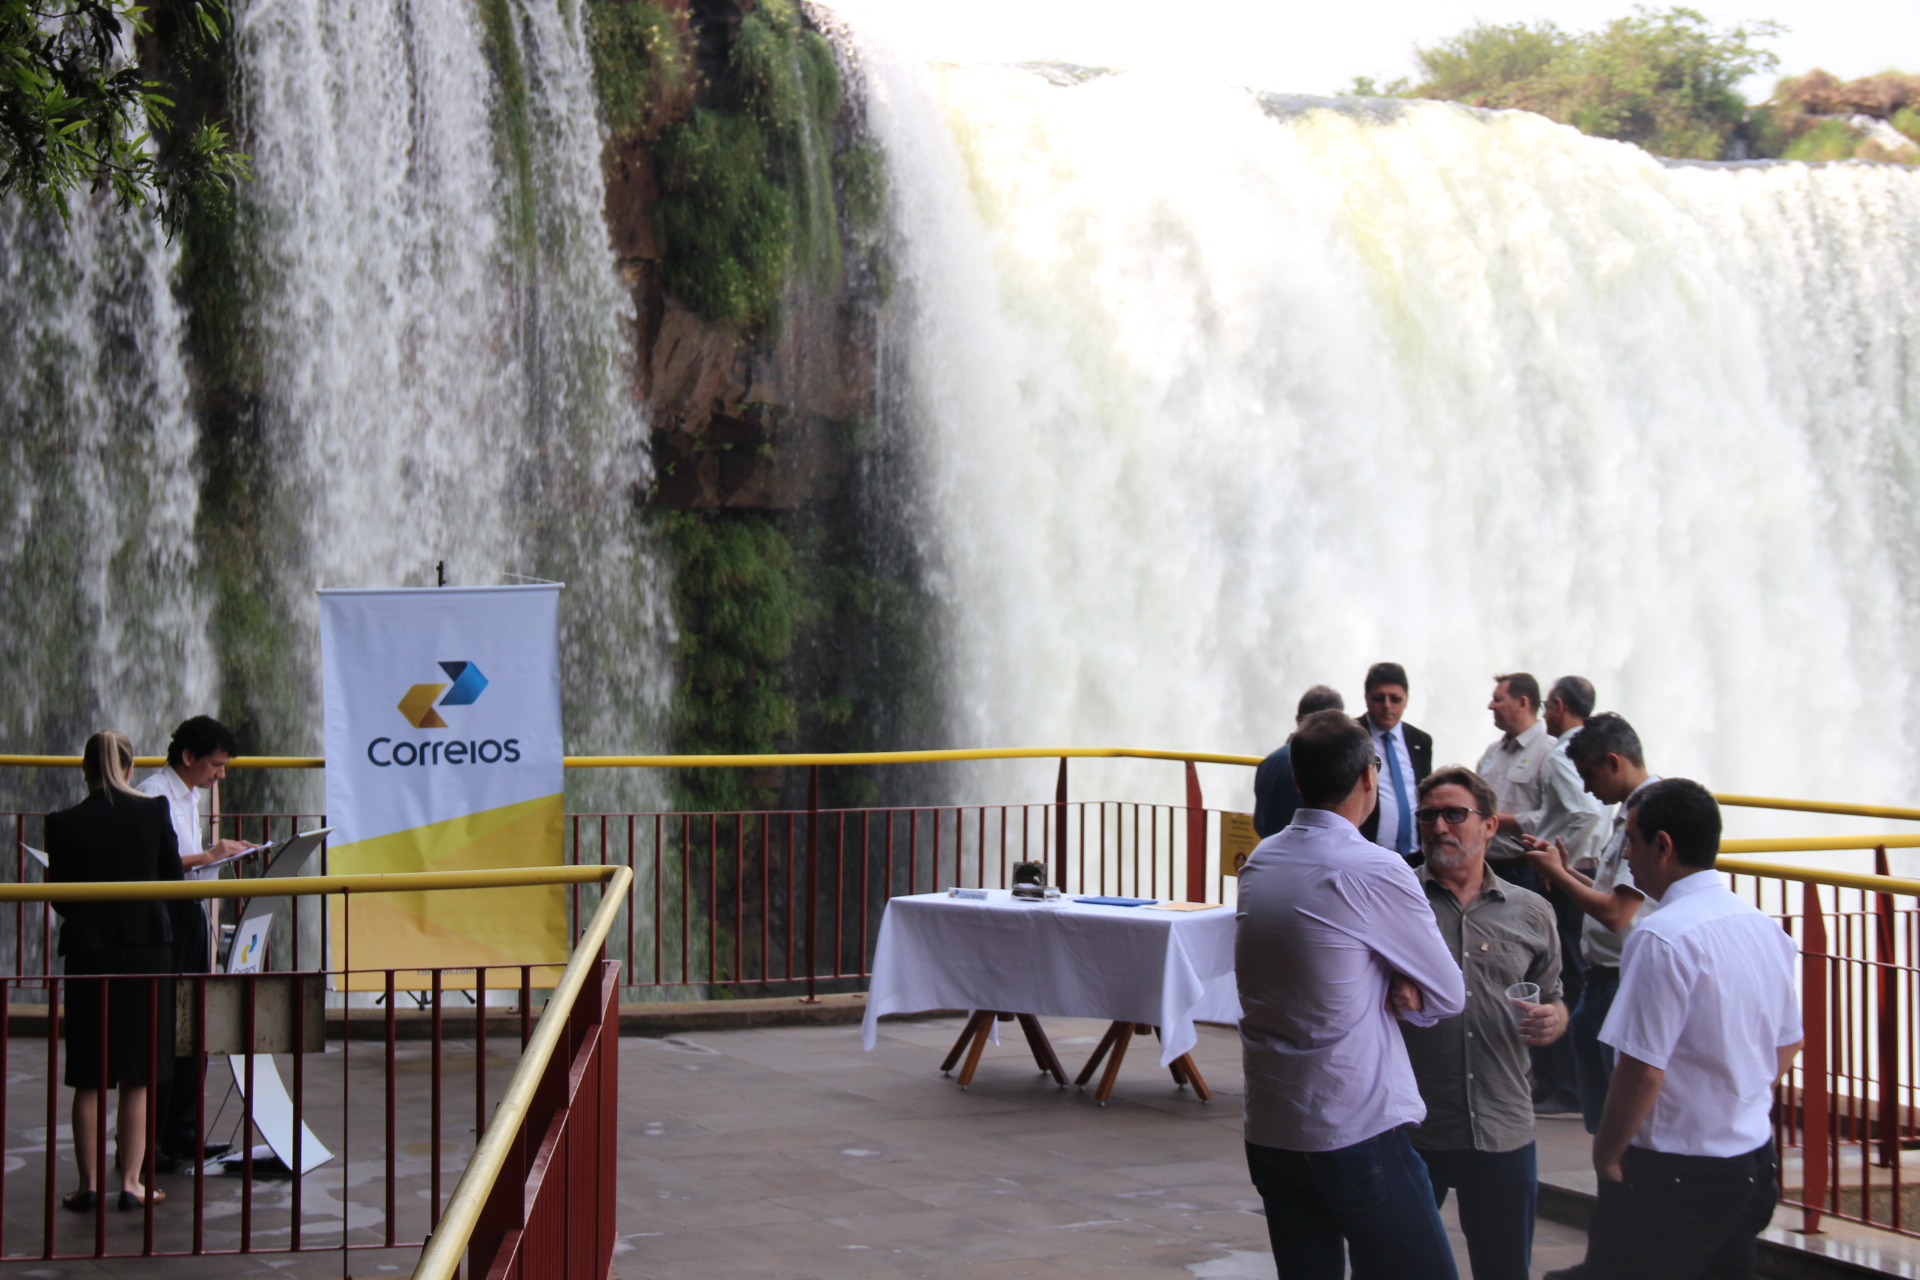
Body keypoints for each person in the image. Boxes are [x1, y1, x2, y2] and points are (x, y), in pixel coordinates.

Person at [1236, 709, 1466, 1280]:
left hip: (1273, 1126)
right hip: (1353, 1124)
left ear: (1296, 782)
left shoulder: (1261, 861)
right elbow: (1448, 992)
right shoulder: (1374, 868)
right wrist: (1396, 978)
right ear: (1370, 777)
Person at [1565, 780, 1801, 1280]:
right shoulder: (1764, 927)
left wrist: (1607, 1152)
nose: (1626, 854)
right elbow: (1789, 1041)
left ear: (1663, 846)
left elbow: (1641, 1071)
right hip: (1751, 1163)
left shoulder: (1660, 937)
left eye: (1631, 839)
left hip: (1674, 1174)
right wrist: (1734, 1099)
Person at [1401, 766, 1567, 1280]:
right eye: (1429, 816)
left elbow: (1556, 996)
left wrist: (1553, 1020)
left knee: (1503, 1268)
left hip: (1501, 1127)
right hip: (1412, 1127)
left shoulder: (1532, 912)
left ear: (1490, 826)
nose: (1440, 827)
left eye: (1455, 814)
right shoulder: (1396, 901)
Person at [44, 730, 184, 1212]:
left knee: (88, 1073)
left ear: (84, 771)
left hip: (90, 954)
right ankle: (131, 1183)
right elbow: (173, 880)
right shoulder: (153, 812)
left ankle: (87, 1186)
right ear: (129, 770)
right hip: (148, 951)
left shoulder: (63, 823)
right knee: (138, 1073)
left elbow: (61, 898)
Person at [1520, 712, 1657, 1133]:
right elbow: (1613, 891)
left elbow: (1617, 913)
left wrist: (1560, 875)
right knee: (1601, 1112)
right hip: (1605, 980)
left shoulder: (1648, 815)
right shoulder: (1628, 815)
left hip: (1623, 978)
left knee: (1619, 1116)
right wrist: (1564, 868)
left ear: (1615, 762)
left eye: (1589, 775)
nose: (1586, 788)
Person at [138, 715, 248, 1170]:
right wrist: (210, 855)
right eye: (216, 764)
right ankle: (153, 1142)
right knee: (166, 1026)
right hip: (166, 916)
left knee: (194, 1025)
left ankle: (182, 1133)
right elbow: (151, 866)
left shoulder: (188, 796)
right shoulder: (152, 796)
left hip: (191, 914)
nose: (220, 774)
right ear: (189, 758)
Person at [1523, 675, 1608, 1115]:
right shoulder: (1594, 748)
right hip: (1584, 871)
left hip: (1566, 876)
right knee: (1572, 969)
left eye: (1544, 706)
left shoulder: (1563, 755)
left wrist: (1563, 864)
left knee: (1563, 974)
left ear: (1557, 706)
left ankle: (1566, 1084)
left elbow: (1585, 813)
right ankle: (1567, 1081)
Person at [1475, 673, 1552, 888]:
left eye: (1498, 699)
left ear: (1523, 703)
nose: (1491, 706)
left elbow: (1557, 817)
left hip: (1524, 869)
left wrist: (1505, 820)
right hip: (1484, 866)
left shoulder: (1549, 753)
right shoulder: (1492, 751)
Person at [1356, 662, 1434, 862]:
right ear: (1366, 698)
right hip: (1366, 854)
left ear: (1406, 699)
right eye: (1379, 698)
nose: (1387, 706)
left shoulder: (1420, 741)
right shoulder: (1349, 735)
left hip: (1415, 856)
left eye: (1395, 699)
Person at [1253, 685, 1345, 837]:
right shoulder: (1324, 766)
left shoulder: (1268, 762)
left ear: (1297, 719)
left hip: (1271, 852)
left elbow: (1259, 822)